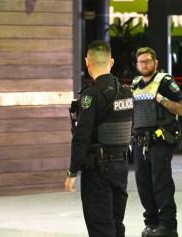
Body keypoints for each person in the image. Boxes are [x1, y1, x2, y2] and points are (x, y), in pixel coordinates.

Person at [64, 40, 133, 237]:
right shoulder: (126, 92)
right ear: (111, 62)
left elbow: (81, 136)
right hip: (121, 168)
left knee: (100, 228)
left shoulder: (90, 95)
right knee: (116, 224)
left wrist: (72, 172)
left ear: (87, 61)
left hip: (98, 170)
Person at [131, 47, 182, 237]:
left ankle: (168, 226)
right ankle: (152, 223)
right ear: (137, 64)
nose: (144, 64)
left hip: (160, 140)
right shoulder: (135, 84)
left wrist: (160, 99)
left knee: (161, 184)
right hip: (140, 142)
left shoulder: (165, 82)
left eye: (148, 61)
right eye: (141, 61)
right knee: (143, 184)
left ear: (156, 63)